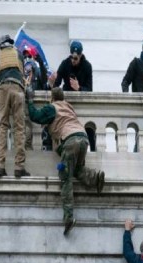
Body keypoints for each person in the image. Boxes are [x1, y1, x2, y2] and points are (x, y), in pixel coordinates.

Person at [27, 87, 105, 235]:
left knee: (65, 177)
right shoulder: (69, 107)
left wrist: (30, 100)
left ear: (52, 98)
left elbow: (35, 116)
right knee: (75, 168)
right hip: (83, 139)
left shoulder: (52, 108)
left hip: (70, 142)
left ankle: (68, 217)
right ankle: (95, 178)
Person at [0, 34, 30, 178]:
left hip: (3, 88)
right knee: (19, 128)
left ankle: (0, 166)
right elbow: (23, 73)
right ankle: (19, 167)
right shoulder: (18, 54)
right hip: (18, 88)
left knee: (2, 126)